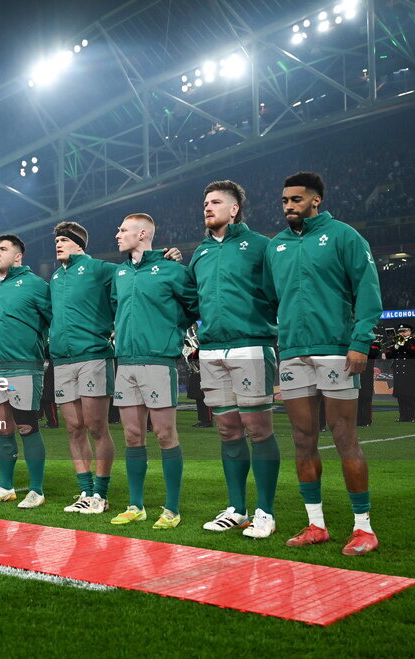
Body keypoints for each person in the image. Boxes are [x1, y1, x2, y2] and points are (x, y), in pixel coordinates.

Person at [266, 171, 383, 555]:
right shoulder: (276, 245)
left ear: (315, 200)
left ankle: (363, 528)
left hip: (336, 349)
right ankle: (316, 525)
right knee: (302, 439)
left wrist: (360, 341)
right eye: (284, 201)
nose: (288, 207)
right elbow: (270, 299)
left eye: (295, 200)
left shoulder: (344, 236)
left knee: (344, 435)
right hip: (293, 353)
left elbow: (367, 290)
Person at [187, 180, 280, 538]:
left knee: (258, 429)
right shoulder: (200, 252)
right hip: (211, 350)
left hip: (251, 346)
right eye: (205, 203)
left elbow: (276, 293)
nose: (207, 208)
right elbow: (193, 302)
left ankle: (265, 511)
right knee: (227, 430)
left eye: (215, 202)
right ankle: (237, 509)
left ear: (234, 209)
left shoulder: (260, 246)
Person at [110, 214, 196, 529]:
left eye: (123, 230)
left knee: (164, 434)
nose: (117, 234)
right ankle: (136, 506)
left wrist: (169, 332)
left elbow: (194, 307)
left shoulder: (172, 270)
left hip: (158, 361)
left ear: (142, 233)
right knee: (132, 436)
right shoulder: (119, 272)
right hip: (125, 362)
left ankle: (171, 509)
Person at [48, 221, 120, 515]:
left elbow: (131, 278)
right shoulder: (54, 277)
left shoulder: (101, 268)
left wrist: (164, 259)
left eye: (64, 239)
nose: (58, 243)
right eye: (56, 240)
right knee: (74, 429)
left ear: (79, 243)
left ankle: (101, 495)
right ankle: (85, 491)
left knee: (96, 427)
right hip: (62, 360)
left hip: (93, 356)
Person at [0, 235, 52, 508]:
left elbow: (51, 319)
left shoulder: (35, 284)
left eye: (3, 249)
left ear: (18, 256)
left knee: (27, 427)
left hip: (23, 366)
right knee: (2, 429)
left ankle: (36, 490)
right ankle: (6, 487)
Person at [386, 323, 415, 422]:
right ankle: (403, 416)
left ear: (410, 332)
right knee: (400, 395)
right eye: (400, 332)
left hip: (410, 372)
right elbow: (388, 355)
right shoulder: (396, 342)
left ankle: (411, 416)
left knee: (410, 395)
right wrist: (396, 346)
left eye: (404, 331)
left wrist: (404, 343)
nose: (402, 333)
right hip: (399, 373)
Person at [356, 338, 381, 427]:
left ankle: (367, 419)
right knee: (357, 397)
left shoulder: (374, 344)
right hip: (356, 371)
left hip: (366, 373)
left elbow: (374, 353)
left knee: (366, 397)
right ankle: (358, 419)